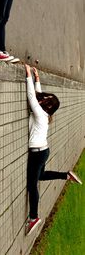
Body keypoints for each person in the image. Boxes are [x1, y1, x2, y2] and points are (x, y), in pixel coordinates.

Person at [25, 64, 82, 236]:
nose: (42, 99)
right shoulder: (45, 114)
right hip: (42, 151)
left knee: (32, 185)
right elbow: (37, 96)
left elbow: (31, 97)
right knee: (40, 176)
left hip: (39, 153)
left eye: (45, 100)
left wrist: (28, 75)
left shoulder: (41, 114)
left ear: (47, 106)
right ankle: (66, 175)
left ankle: (34, 217)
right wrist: (37, 79)